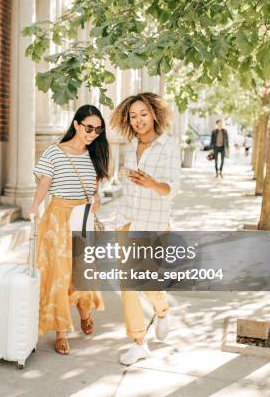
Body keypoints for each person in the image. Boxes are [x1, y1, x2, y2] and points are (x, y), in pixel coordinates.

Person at [28, 104, 109, 355]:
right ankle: (61, 331)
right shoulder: (54, 152)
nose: (93, 133)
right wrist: (34, 207)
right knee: (59, 275)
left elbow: (95, 188)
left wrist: (96, 200)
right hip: (56, 219)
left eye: (98, 129)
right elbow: (45, 182)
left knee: (83, 273)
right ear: (76, 124)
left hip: (82, 217)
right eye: (89, 127)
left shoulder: (94, 154)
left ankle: (84, 313)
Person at [109, 92, 181, 365]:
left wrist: (153, 184)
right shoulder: (130, 146)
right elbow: (127, 184)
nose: (138, 120)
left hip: (152, 224)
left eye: (143, 114)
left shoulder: (169, 146)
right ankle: (139, 342)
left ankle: (162, 310)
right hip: (126, 221)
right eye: (133, 115)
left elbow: (173, 188)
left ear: (154, 114)